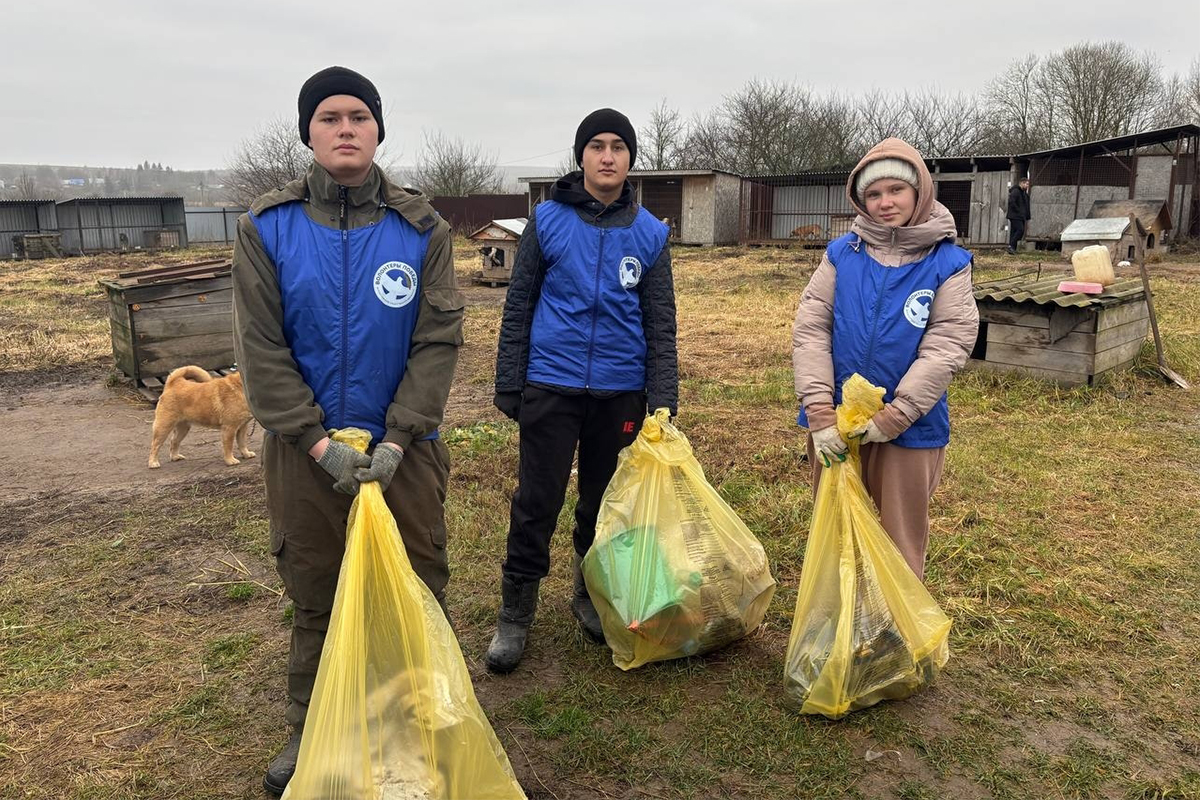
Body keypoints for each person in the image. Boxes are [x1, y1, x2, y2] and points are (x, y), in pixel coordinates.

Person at [231, 65, 464, 795]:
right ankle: (313, 728)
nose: (344, 129)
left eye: (358, 117)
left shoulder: (422, 228)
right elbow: (260, 349)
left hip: (408, 452)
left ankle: (419, 721)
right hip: (306, 455)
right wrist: (315, 441)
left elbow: (437, 340)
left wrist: (398, 438)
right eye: (329, 117)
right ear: (308, 132)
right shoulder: (266, 228)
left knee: (417, 583)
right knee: (317, 589)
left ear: (378, 130)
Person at [485, 108, 678, 674]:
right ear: (582, 156)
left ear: (630, 160)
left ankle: (589, 595)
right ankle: (515, 614)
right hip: (552, 383)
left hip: (620, 393)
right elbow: (519, 305)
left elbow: (659, 321)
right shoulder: (546, 222)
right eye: (597, 145)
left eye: (619, 146)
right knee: (536, 501)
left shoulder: (649, 234)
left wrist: (662, 398)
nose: (608, 155)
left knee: (602, 502)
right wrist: (510, 380)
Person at [792, 137, 979, 579]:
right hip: (837, 422)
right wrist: (819, 411)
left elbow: (947, 344)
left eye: (896, 190)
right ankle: (838, 620)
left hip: (910, 428)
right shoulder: (841, 255)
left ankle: (895, 632)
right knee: (835, 529)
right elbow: (811, 329)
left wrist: (896, 415)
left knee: (900, 538)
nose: (885, 202)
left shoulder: (948, 263)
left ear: (920, 191)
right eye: (873, 194)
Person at [1006, 176, 1032, 254]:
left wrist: (1026, 215)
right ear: (1022, 183)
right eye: (1026, 184)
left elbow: (1025, 205)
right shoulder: (1016, 191)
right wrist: (1018, 211)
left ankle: (1012, 249)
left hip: (1020, 216)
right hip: (1015, 215)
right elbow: (1012, 202)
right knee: (1020, 230)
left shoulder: (1023, 193)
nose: (1027, 186)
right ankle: (1010, 246)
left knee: (1014, 232)